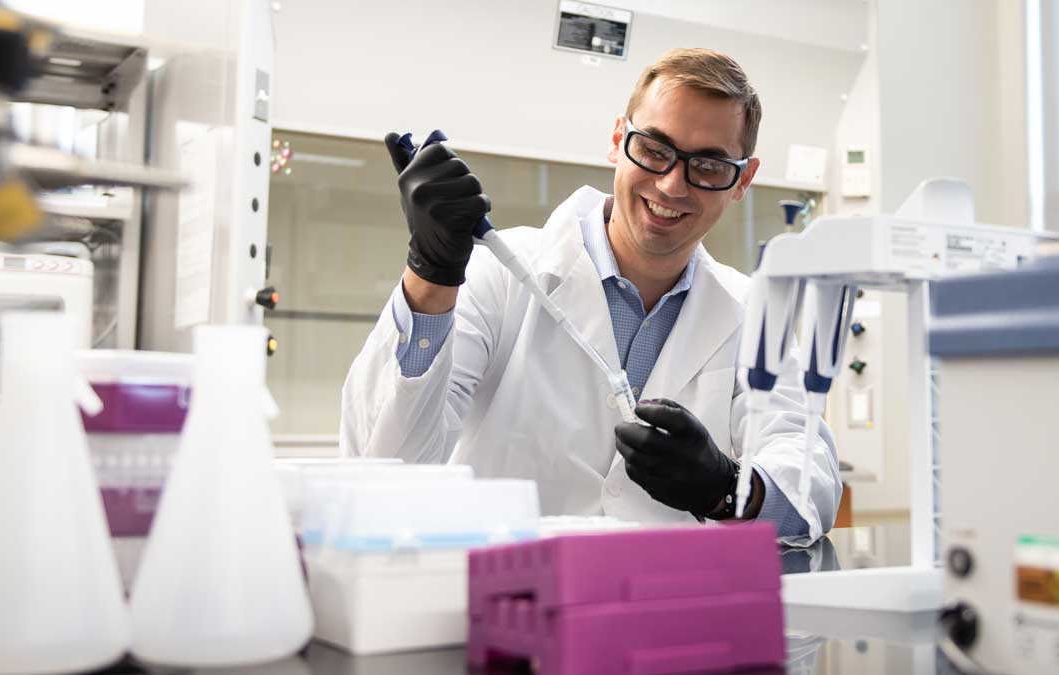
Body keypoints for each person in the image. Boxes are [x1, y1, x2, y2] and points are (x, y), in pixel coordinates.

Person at [340, 48, 840, 543]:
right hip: (504, 605)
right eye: (654, 149)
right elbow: (387, 464)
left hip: (665, 608)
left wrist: (726, 489)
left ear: (743, 181)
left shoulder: (750, 312)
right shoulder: (498, 274)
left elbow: (808, 480)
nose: (671, 184)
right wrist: (431, 274)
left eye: (708, 166)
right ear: (618, 139)